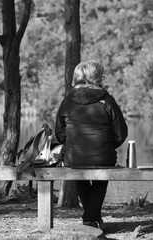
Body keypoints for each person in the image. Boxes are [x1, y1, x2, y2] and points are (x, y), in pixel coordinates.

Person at [55, 60, 128, 228]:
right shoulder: (107, 100)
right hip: (103, 157)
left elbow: (59, 133)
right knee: (100, 178)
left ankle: (90, 217)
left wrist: (70, 146)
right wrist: (107, 147)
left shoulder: (67, 101)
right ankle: (91, 217)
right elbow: (121, 132)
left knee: (78, 172)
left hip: (74, 157)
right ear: (98, 77)